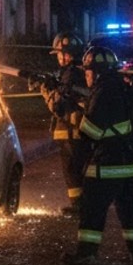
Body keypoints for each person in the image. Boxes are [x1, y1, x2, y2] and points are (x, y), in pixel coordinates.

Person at [63, 45, 133, 265]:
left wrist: (73, 115)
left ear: (96, 72)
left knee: (92, 209)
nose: (86, 76)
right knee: (129, 209)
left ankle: (87, 254)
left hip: (108, 164)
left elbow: (92, 131)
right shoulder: (120, 86)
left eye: (88, 71)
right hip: (130, 163)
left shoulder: (103, 91)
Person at [41, 31, 90, 216]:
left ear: (67, 54)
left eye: (60, 54)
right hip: (83, 131)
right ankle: (84, 204)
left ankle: (78, 206)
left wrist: (45, 90)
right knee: (81, 170)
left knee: (72, 171)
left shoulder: (70, 74)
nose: (59, 58)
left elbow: (58, 107)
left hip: (71, 132)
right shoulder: (83, 71)